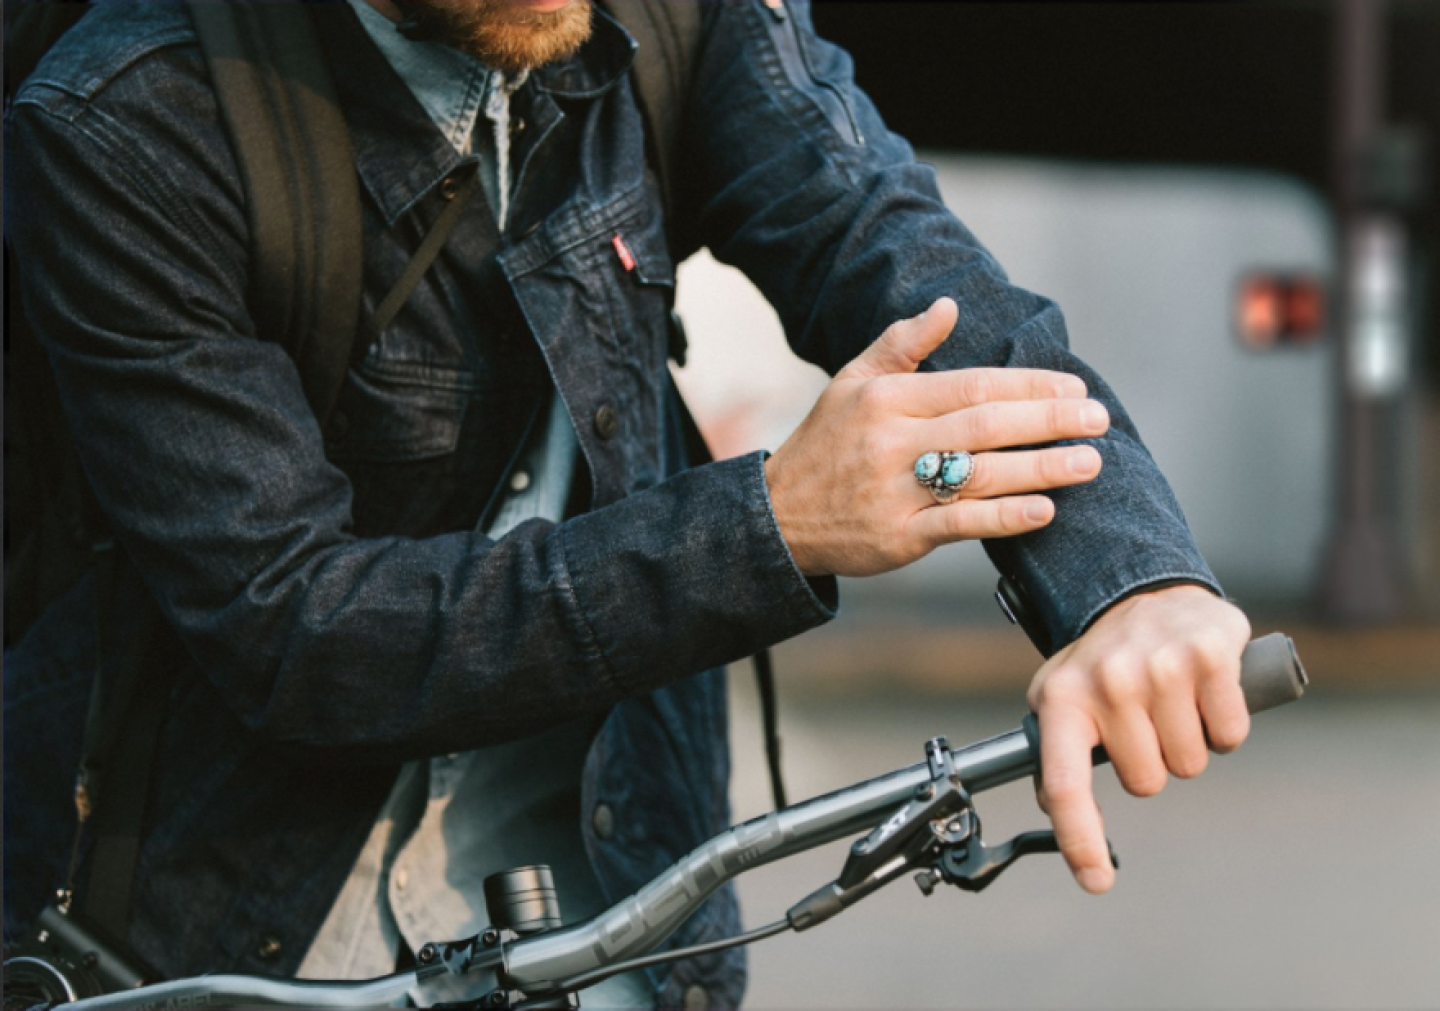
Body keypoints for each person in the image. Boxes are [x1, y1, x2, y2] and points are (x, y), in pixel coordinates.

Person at [3, 0, 1251, 1006]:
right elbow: (297, 629)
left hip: (615, 907)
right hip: (241, 937)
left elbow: (890, 246)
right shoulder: (128, 117)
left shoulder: (681, 19)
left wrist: (1128, 582)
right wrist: (770, 525)